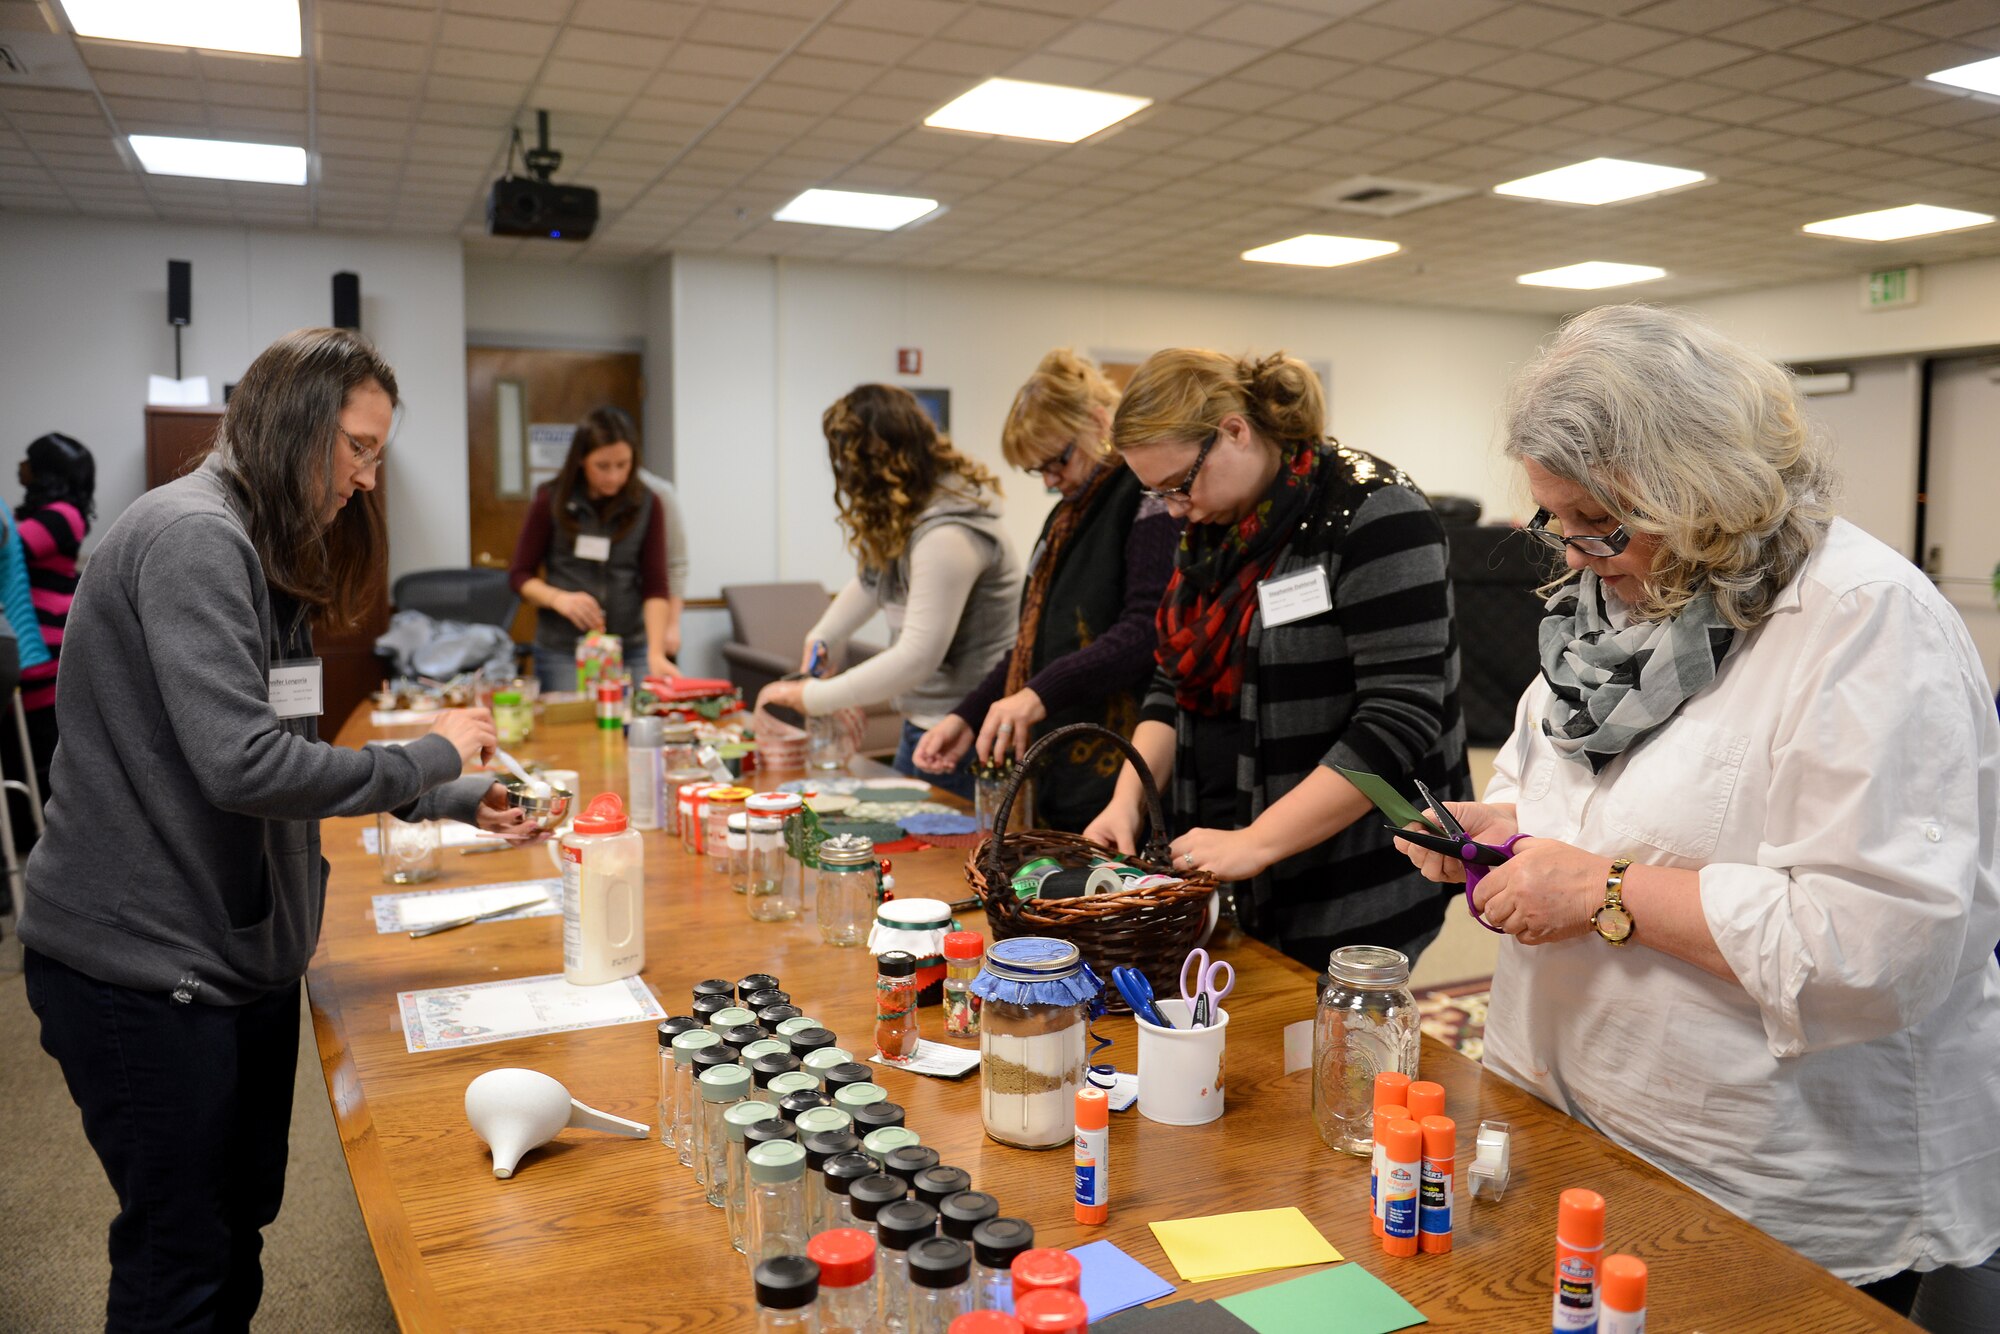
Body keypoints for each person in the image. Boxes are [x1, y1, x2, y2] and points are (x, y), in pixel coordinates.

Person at [1397, 305, 2000, 1325]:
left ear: (1704, 483)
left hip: (1762, 1172)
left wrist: (1599, 891)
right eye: (1558, 521)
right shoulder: (1612, 609)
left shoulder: (1859, 620)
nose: (1579, 553)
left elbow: (1880, 945)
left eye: (1603, 524)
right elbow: (1578, 796)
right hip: (1571, 1110)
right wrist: (1493, 823)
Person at [17, 327, 545, 1331]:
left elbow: (280, 742)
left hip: (233, 952)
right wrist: (432, 754)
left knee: (238, 1222)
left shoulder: (259, 540)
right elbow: (241, 763)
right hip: (140, 966)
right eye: (356, 447)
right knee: (182, 1254)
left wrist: (443, 796)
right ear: (291, 424)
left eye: (377, 452)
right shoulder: (193, 537)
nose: (368, 475)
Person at [1081, 349, 1469, 971]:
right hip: (1230, 866)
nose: (1176, 509)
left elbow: (1398, 719)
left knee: (1332, 1052)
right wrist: (1126, 799)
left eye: (1179, 485)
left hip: (1342, 879)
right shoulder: (1215, 522)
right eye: (1158, 496)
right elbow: (1172, 678)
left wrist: (1258, 842)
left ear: (1234, 431)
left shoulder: (1375, 513)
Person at [911, 349, 1177, 830]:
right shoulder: (1066, 515)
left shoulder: (1147, 498)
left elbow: (1145, 630)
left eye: (1058, 461)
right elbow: (1033, 646)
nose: (1052, 480)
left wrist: (1039, 694)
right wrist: (969, 716)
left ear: (1098, 421)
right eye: (1040, 471)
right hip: (1059, 764)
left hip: (1116, 766)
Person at [756, 384, 1020, 800]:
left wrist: (816, 697)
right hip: (924, 725)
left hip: (962, 740)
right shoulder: (913, 515)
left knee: (939, 863)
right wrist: (825, 635)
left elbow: (917, 657)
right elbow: (871, 581)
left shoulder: (948, 533)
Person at [508, 405, 678, 691]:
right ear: (581, 460)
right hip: (563, 650)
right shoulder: (550, 500)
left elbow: (656, 586)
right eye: (603, 466)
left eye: (622, 465)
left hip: (631, 647)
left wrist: (656, 652)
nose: (613, 476)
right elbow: (519, 576)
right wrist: (558, 598)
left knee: (634, 729)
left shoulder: (649, 503)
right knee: (572, 733)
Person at [15, 431, 92, 811]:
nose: (20, 466)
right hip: (30, 644)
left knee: (39, 754)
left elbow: (12, 547)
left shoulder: (64, 516)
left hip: (41, 648)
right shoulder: (36, 515)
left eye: (28, 458)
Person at [636, 465, 690, 660]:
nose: (612, 476)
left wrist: (672, 624)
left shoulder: (657, 493)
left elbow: (676, 564)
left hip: (646, 629)